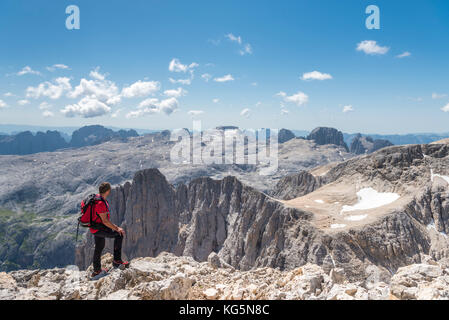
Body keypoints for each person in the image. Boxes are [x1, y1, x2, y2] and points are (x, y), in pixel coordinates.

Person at [90, 182, 129, 277]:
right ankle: (117, 261)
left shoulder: (96, 198)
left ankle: (97, 270)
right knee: (119, 234)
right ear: (107, 191)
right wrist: (117, 228)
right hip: (99, 228)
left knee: (99, 247)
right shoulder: (100, 203)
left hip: (95, 228)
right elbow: (105, 221)